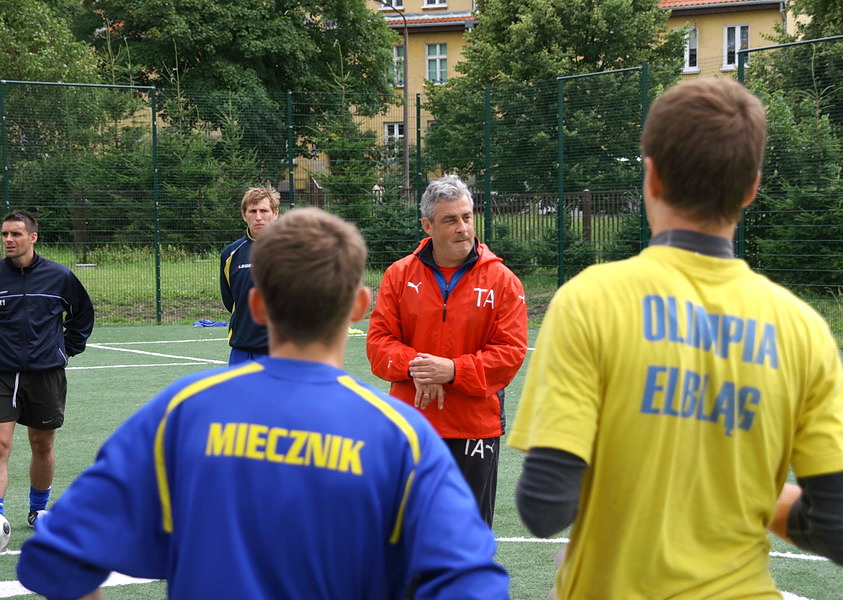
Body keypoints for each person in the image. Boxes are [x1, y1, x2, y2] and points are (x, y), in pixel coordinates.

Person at [18, 207, 509, 600]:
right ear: (360, 306)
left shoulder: (184, 413)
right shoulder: (401, 436)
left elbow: (55, 556)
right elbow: (474, 584)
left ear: (255, 306)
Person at [508, 78, 843, 599]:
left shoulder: (591, 300)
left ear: (651, 177)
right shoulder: (803, 329)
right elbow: (841, 531)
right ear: (751, 188)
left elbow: (544, 508)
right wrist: (738, 490)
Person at [367, 174, 528, 526]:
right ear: (428, 225)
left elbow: (510, 354)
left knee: (467, 539)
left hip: (474, 428)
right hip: (412, 425)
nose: (462, 228)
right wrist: (420, 367)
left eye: (467, 217)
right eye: (450, 220)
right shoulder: (398, 275)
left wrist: (452, 370)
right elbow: (378, 345)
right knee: (408, 536)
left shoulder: (502, 281)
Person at [0, 210, 94, 531]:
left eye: (15, 234)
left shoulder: (60, 276)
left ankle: (38, 510)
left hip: (46, 374)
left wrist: (66, 349)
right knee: (1, 444)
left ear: (33, 237)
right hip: (3, 374)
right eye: (4, 235)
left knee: (43, 444)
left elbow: (82, 315)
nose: (8, 240)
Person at [220, 184, 279, 365]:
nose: (258, 217)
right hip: (242, 350)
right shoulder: (230, 254)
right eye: (253, 211)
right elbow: (230, 301)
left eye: (264, 210)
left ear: (275, 214)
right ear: (244, 215)